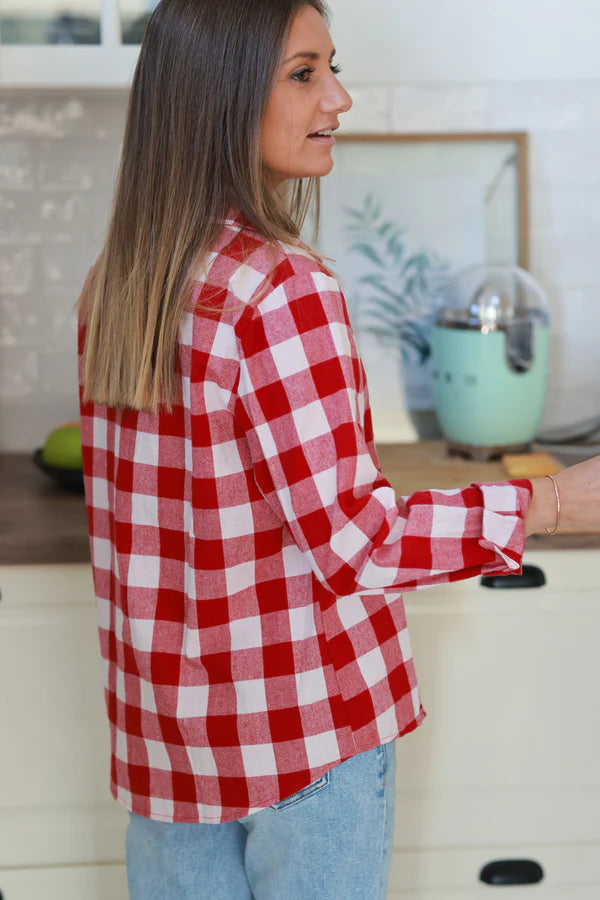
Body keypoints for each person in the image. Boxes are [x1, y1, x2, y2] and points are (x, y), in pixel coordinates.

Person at [76, 1, 600, 897]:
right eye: (305, 73)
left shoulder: (120, 279)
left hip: (170, 746)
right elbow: (361, 541)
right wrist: (551, 502)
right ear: (220, 96)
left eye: (332, 67)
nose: (340, 98)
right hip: (306, 740)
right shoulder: (283, 287)